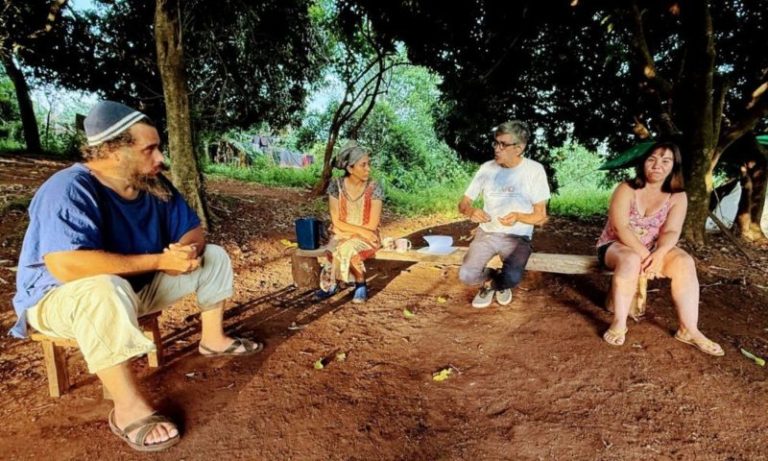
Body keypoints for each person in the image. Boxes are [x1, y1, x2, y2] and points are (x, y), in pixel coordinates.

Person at [11, 101, 263, 452]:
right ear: (113, 150)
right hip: (59, 299)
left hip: (130, 289)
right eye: (149, 149)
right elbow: (67, 267)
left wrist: (186, 252)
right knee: (102, 288)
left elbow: (193, 231)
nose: (160, 158)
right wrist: (160, 261)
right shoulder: (68, 188)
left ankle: (213, 338)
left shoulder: (153, 185)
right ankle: (127, 408)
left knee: (214, 256)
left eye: (158, 147)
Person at [597, 141, 724, 356]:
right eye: (652, 159)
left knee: (685, 262)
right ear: (643, 163)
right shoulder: (626, 188)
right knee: (631, 260)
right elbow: (621, 228)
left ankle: (688, 329)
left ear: (674, 166)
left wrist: (660, 253)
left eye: (666, 161)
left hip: (654, 249)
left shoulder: (678, 196)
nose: (658, 165)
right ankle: (619, 323)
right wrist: (648, 256)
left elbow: (671, 232)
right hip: (616, 245)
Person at [458, 121, 550, 308]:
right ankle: (493, 280)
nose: (497, 149)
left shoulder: (534, 170)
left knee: (513, 277)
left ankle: (496, 285)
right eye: (496, 143)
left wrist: (518, 216)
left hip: (518, 237)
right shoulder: (487, 168)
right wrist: (471, 211)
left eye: (503, 144)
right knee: (466, 275)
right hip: (487, 233)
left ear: (519, 148)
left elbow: (541, 216)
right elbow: (463, 203)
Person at [315, 141, 383, 304]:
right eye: (363, 165)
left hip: (366, 238)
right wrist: (356, 231)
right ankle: (332, 284)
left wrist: (348, 231)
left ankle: (361, 283)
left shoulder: (375, 187)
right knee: (334, 248)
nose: (368, 169)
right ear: (350, 168)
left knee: (347, 248)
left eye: (369, 164)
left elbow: (372, 226)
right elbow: (336, 220)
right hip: (347, 233)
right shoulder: (335, 186)